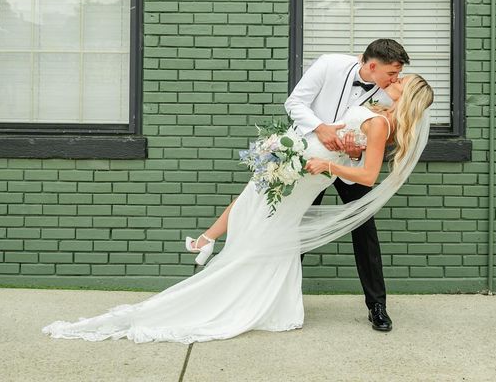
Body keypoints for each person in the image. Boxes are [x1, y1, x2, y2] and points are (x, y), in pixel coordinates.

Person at [41, 71, 433, 345]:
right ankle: (258, 294)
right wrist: (295, 146)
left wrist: (330, 163)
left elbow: (365, 177)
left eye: (402, 82)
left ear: (407, 95)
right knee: (257, 216)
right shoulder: (376, 114)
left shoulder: (382, 124)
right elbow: (340, 134)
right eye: (395, 75)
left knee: (265, 226)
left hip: (311, 171)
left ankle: (244, 289)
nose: (395, 81)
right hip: (299, 165)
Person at [283, 38, 410, 332]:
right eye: (392, 73)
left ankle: (377, 306)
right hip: (312, 159)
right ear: (373, 65)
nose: (396, 79)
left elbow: (380, 133)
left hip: (349, 165)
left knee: (366, 231)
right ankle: (284, 298)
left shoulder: (390, 91)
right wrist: (320, 128)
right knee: (297, 228)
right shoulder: (329, 65)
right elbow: (294, 103)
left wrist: (358, 149)